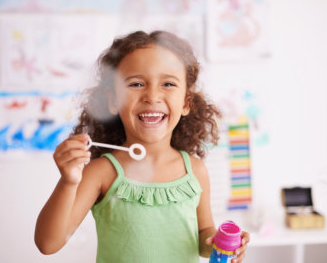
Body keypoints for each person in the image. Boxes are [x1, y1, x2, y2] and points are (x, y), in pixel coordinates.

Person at [34, 30, 250, 263]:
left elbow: (202, 237)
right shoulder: (102, 172)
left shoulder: (195, 171)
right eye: (136, 84)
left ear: (186, 102)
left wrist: (221, 243)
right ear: (114, 101)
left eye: (168, 83)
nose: (152, 96)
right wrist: (68, 182)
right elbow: (48, 244)